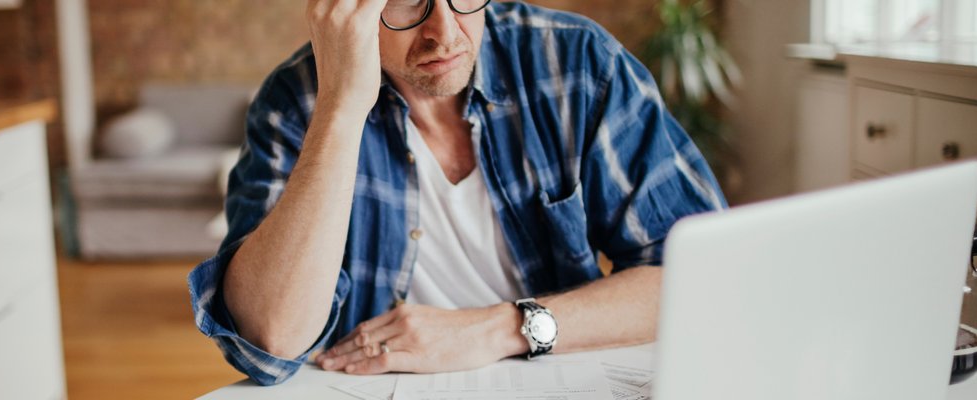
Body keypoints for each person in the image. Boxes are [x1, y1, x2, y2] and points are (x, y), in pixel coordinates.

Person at [188, 0, 726, 386]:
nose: (444, 32)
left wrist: (497, 328)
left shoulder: (577, 64)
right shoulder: (296, 101)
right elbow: (270, 341)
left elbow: (700, 278)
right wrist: (341, 109)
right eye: (404, 2)